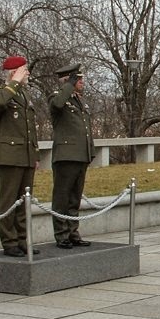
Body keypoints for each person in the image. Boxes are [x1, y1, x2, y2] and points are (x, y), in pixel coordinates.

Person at [0, 55, 40, 257]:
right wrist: (14, 82)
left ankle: (22, 240)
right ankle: (9, 242)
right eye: (24, 70)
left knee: (24, 201)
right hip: (10, 156)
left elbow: (30, 130)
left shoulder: (24, 96)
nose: (27, 74)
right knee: (9, 201)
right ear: (13, 72)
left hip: (26, 156)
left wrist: (34, 155)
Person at [49, 63, 95, 249]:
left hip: (80, 155)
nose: (82, 82)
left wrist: (89, 151)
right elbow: (58, 103)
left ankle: (72, 232)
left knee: (75, 198)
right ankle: (61, 234)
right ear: (69, 80)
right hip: (66, 155)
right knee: (62, 197)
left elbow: (85, 130)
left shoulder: (79, 101)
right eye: (78, 79)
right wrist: (69, 85)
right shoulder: (58, 97)